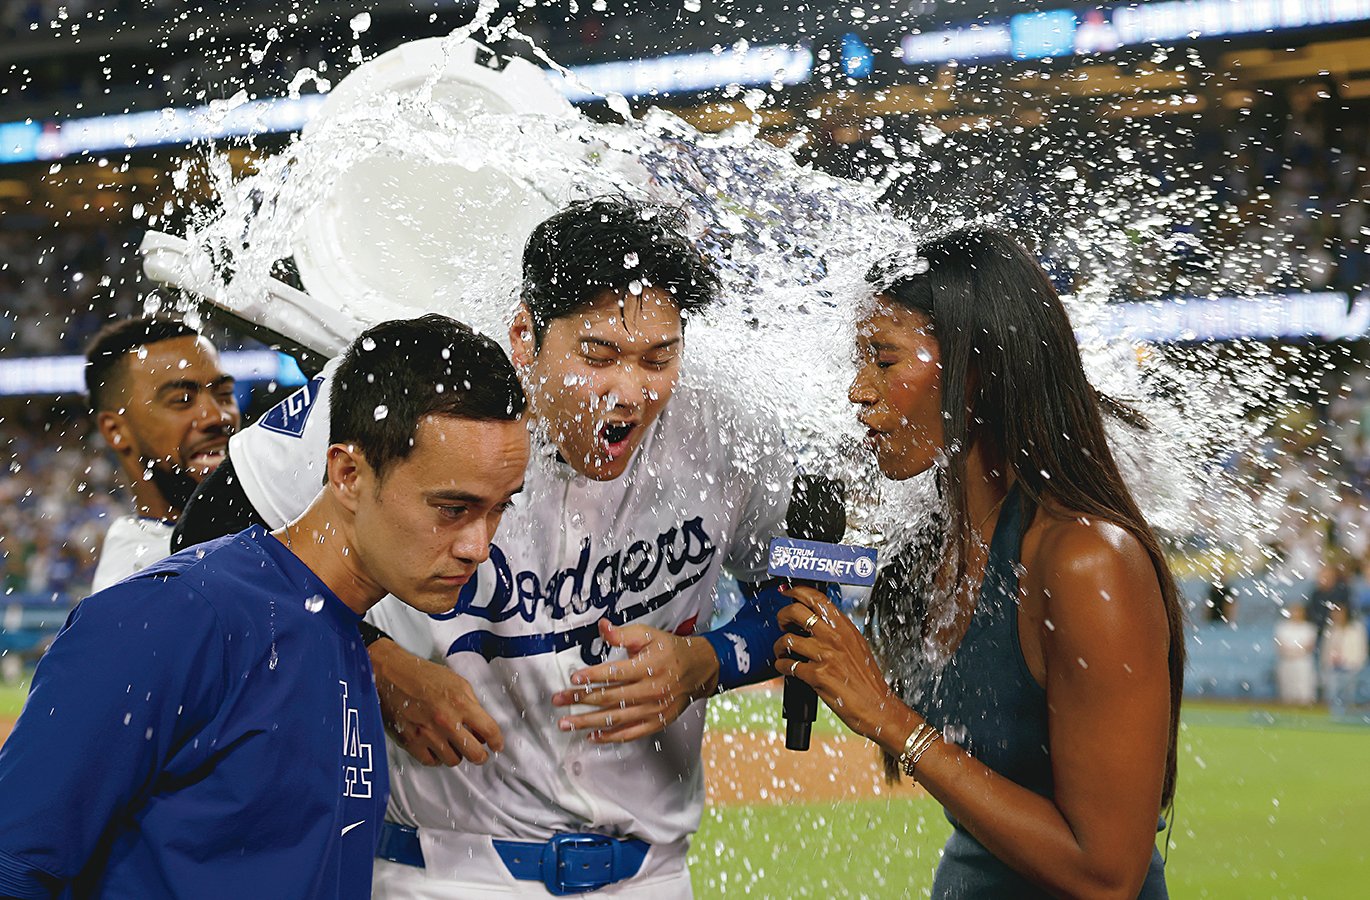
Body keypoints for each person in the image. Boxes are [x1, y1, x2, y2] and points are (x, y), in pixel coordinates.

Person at [177, 198, 794, 897]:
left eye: (660, 357)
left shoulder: (726, 422)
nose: (632, 390)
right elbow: (204, 544)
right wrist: (369, 661)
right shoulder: (425, 387)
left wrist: (710, 659)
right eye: (598, 355)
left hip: (654, 874)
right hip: (440, 871)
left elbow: (807, 588)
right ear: (525, 335)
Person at [0, 315, 529, 899]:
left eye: (498, 508)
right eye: (452, 508)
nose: (478, 545)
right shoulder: (176, 613)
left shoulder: (343, 636)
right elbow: (14, 861)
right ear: (347, 473)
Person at [775, 229, 1182, 897]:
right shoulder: (936, 543)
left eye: (884, 360)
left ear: (978, 369)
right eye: (859, 362)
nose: (858, 391)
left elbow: (1107, 874)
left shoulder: (1086, 562)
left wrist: (890, 718)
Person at [84, 316, 241, 591]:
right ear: (115, 430)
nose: (217, 416)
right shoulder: (140, 589)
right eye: (182, 400)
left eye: (224, 394)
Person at [1321, 603, 1368, 716]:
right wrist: (1326, 664)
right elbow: (1326, 649)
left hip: (1351, 667)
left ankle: (1348, 718)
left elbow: (1361, 648)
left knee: (1349, 695)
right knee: (1333, 695)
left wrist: (1357, 664)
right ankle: (1335, 716)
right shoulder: (1331, 629)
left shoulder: (1356, 629)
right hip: (1333, 668)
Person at [1275, 604, 1319, 705]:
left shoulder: (1309, 628)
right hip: (1286, 661)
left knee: (1304, 687)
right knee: (1287, 687)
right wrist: (1291, 653)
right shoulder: (1282, 627)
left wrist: (1296, 653)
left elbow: (1309, 646)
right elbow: (1279, 645)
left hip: (1303, 663)